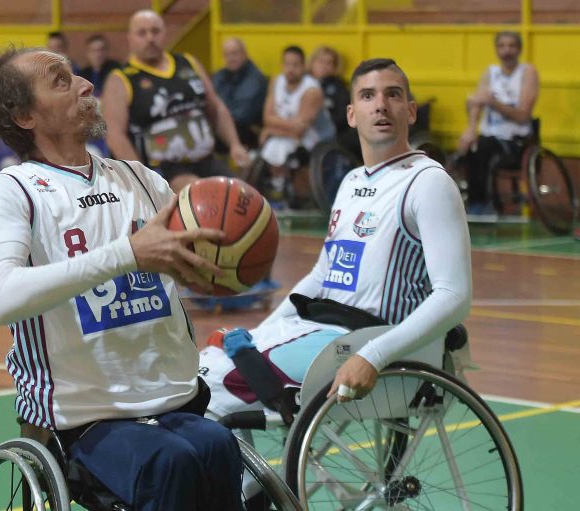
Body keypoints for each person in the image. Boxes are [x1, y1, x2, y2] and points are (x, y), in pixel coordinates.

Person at [0, 45, 243, 511]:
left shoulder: (141, 179)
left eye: (76, 74)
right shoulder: (10, 192)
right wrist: (126, 255)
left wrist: (225, 259)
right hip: (83, 415)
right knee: (169, 463)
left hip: (172, 399)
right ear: (24, 116)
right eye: (60, 80)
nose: (85, 84)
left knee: (219, 446)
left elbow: (195, 268)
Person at [200, 58, 472, 417]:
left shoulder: (428, 183)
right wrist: (264, 329)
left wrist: (372, 356)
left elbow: (454, 296)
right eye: (368, 96)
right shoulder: (352, 181)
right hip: (323, 332)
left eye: (392, 95)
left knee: (211, 381)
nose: (380, 105)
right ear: (351, 115)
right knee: (209, 359)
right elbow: (322, 275)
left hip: (372, 343)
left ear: (410, 111)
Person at [103, 9, 249, 193]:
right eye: (142, 33)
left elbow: (216, 108)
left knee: (244, 196)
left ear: (164, 33)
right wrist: (141, 178)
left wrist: (235, 144)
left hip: (206, 159)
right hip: (164, 169)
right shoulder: (121, 78)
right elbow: (115, 135)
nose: (150, 38)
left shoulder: (188, 63)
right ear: (130, 39)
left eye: (155, 31)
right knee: (202, 195)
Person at [457, 31, 539, 215]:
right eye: (502, 46)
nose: (506, 50)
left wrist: (493, 102)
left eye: (511, 46)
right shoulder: (490, 73)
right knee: (471, 146)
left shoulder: (528, 72)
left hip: (516, 142)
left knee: (483, 147)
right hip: (489, 137)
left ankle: (482, 203)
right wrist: (470, 130)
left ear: (519, 49)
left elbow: (523, 116)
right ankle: (474, 202)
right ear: (496, 49)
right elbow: (477, 102)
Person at [259, 46, 325, 205]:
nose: (290, 69)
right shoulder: (276, 81)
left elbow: (300, 130)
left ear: (303, 66)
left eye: (295, 65)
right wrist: (279, 127)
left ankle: (291, 191)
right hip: (285, 134)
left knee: (284, 148)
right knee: (272, 145)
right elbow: (267, 118)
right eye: (287, 64)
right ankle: (277, 186)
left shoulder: (312, 90)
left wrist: (272, 129)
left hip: (316, 136)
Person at [212, 37, 268, 150]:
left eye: (234, 53)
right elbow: (210, 102)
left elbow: (242, 114)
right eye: (227, 55)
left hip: (247, 131)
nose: (230, 58)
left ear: (245, 54)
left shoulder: (255, 79)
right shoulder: (219, 76)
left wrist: (218, 115)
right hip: (223, 126)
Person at [309, 45, 359, 156]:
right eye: (321, 61)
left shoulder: (339, 86)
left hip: (330, 133)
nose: (324, 66)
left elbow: (343, 115)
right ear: (312, 63)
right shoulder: (302, 83)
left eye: (329, 63)